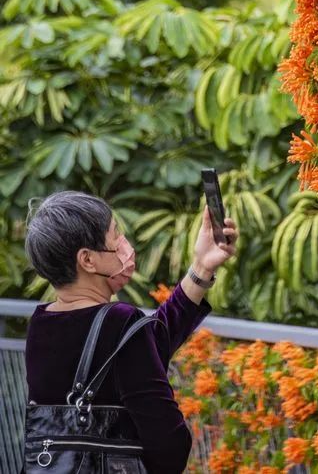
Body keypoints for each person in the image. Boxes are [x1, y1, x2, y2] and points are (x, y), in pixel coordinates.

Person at [24, 189, 238, 474]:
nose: (125, 245)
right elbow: (170, 445)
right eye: (115, 236)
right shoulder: (118, 321)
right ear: (88, 260)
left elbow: (144, 347)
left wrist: (201, 267)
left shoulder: (41, 324)